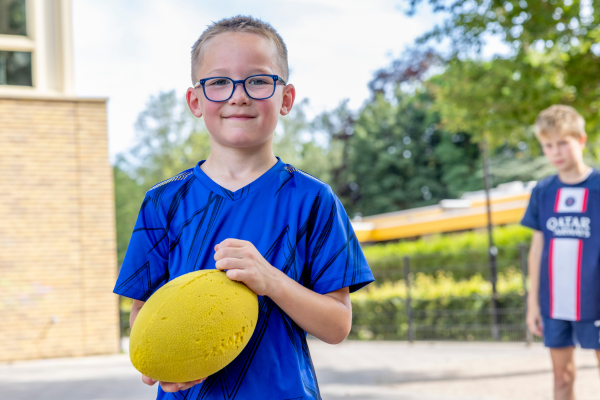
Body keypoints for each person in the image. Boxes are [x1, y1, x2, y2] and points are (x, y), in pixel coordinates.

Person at [113, 15, 374, 400]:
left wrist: (271, 280)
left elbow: (337, 324)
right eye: (218, 81)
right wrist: (161, 365)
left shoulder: (314, 200)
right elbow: (144, 314)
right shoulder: (164, 202)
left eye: (258, 80)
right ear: (195, 101)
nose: (238, 95)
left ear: (285, 98)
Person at [522, 105, 600, 400]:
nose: (555, 151)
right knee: (561, 379)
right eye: (548, 145)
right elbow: (537, 247)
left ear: (580, 140)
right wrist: (533, 304)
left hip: (595, 298)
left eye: (562, 143)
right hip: (555, 303)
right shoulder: (542, 192)